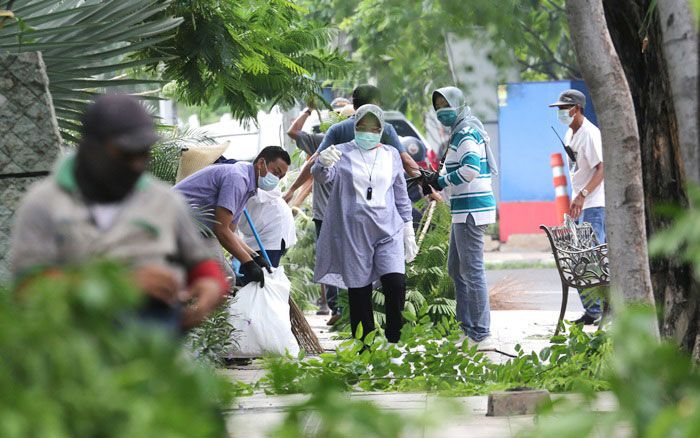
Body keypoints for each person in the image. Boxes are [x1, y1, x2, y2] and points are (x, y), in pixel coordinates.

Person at [10, 94, 229, 330]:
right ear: (91, 148)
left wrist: (210, 283)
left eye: (143, 153)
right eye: (125, 153)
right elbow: (28, 286)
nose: (136, 164)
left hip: (150, 345)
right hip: (71, 349)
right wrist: (120, 285)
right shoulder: (44, 203)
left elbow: (199, 263)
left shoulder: (164, 201)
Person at [311, 104, 419, 344]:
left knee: (395, 283)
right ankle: (364, 345)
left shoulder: (391, 154)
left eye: (374, 127)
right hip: (354, 232)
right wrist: (322, 163)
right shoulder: (340, 152)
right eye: (362, 126)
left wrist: (408, 228)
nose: (368, 131)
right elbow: (321, 176)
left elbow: (401, 194)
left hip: (388, 229)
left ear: (381, 129)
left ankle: (394, 340)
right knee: (359, 291)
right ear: (355, 126)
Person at [423, 86, 498, 345]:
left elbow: (470, 169)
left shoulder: (466, 132)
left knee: (472, 271)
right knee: (456, 269)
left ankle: (480, 332)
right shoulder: (459, 132)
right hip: (463, 209)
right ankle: (465, 328)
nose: (441, 111)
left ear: (458, 104)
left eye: (446, 104)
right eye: (437, 106)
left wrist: (442, 180)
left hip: (472, 210)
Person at [174, 146, 291, 287]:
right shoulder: (237, 179)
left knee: (227, 280)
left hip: (197, 229)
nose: (276, 179)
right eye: (275, 172)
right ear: (261, 163)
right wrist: (247, 262)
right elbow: (221, 230)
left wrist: (255, 257)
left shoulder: (248, 185)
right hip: (179, 223)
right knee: (224, 280)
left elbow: (229, 230)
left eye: (280, 177)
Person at [283, 84, 420, 204]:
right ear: (376, 103)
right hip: (373, 206)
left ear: (354, 106)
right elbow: (406, 161)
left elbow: (313, 160)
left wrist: (291, 190)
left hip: (333, 207)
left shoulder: (336, 130)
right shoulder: (385, 129)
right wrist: (428, 187)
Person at [286, 99, 354, 322]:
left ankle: (348, 307)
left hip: (351, 213)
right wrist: (308, 110)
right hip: (325, 213)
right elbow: (294, 134)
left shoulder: (362, 146)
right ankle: (338, 309)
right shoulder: (323, 142)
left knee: (349, 259)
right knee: (329, 260)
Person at [549, 89, 605, 325]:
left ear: (577, 109)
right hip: (578, 206)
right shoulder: (570, 134)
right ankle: (592, 310)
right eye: (559, 108)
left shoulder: (591, 134)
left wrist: (582, 195)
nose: (561, 112)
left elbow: (602, 168)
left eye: (565, 108)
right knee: (577, 259)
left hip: (594, 204)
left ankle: (601, 309)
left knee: (591, 258)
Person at [238, 187, 297, 269]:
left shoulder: (239, 180)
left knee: (263, 273)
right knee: (247, 273)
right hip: (252, 230)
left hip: (272, 229)